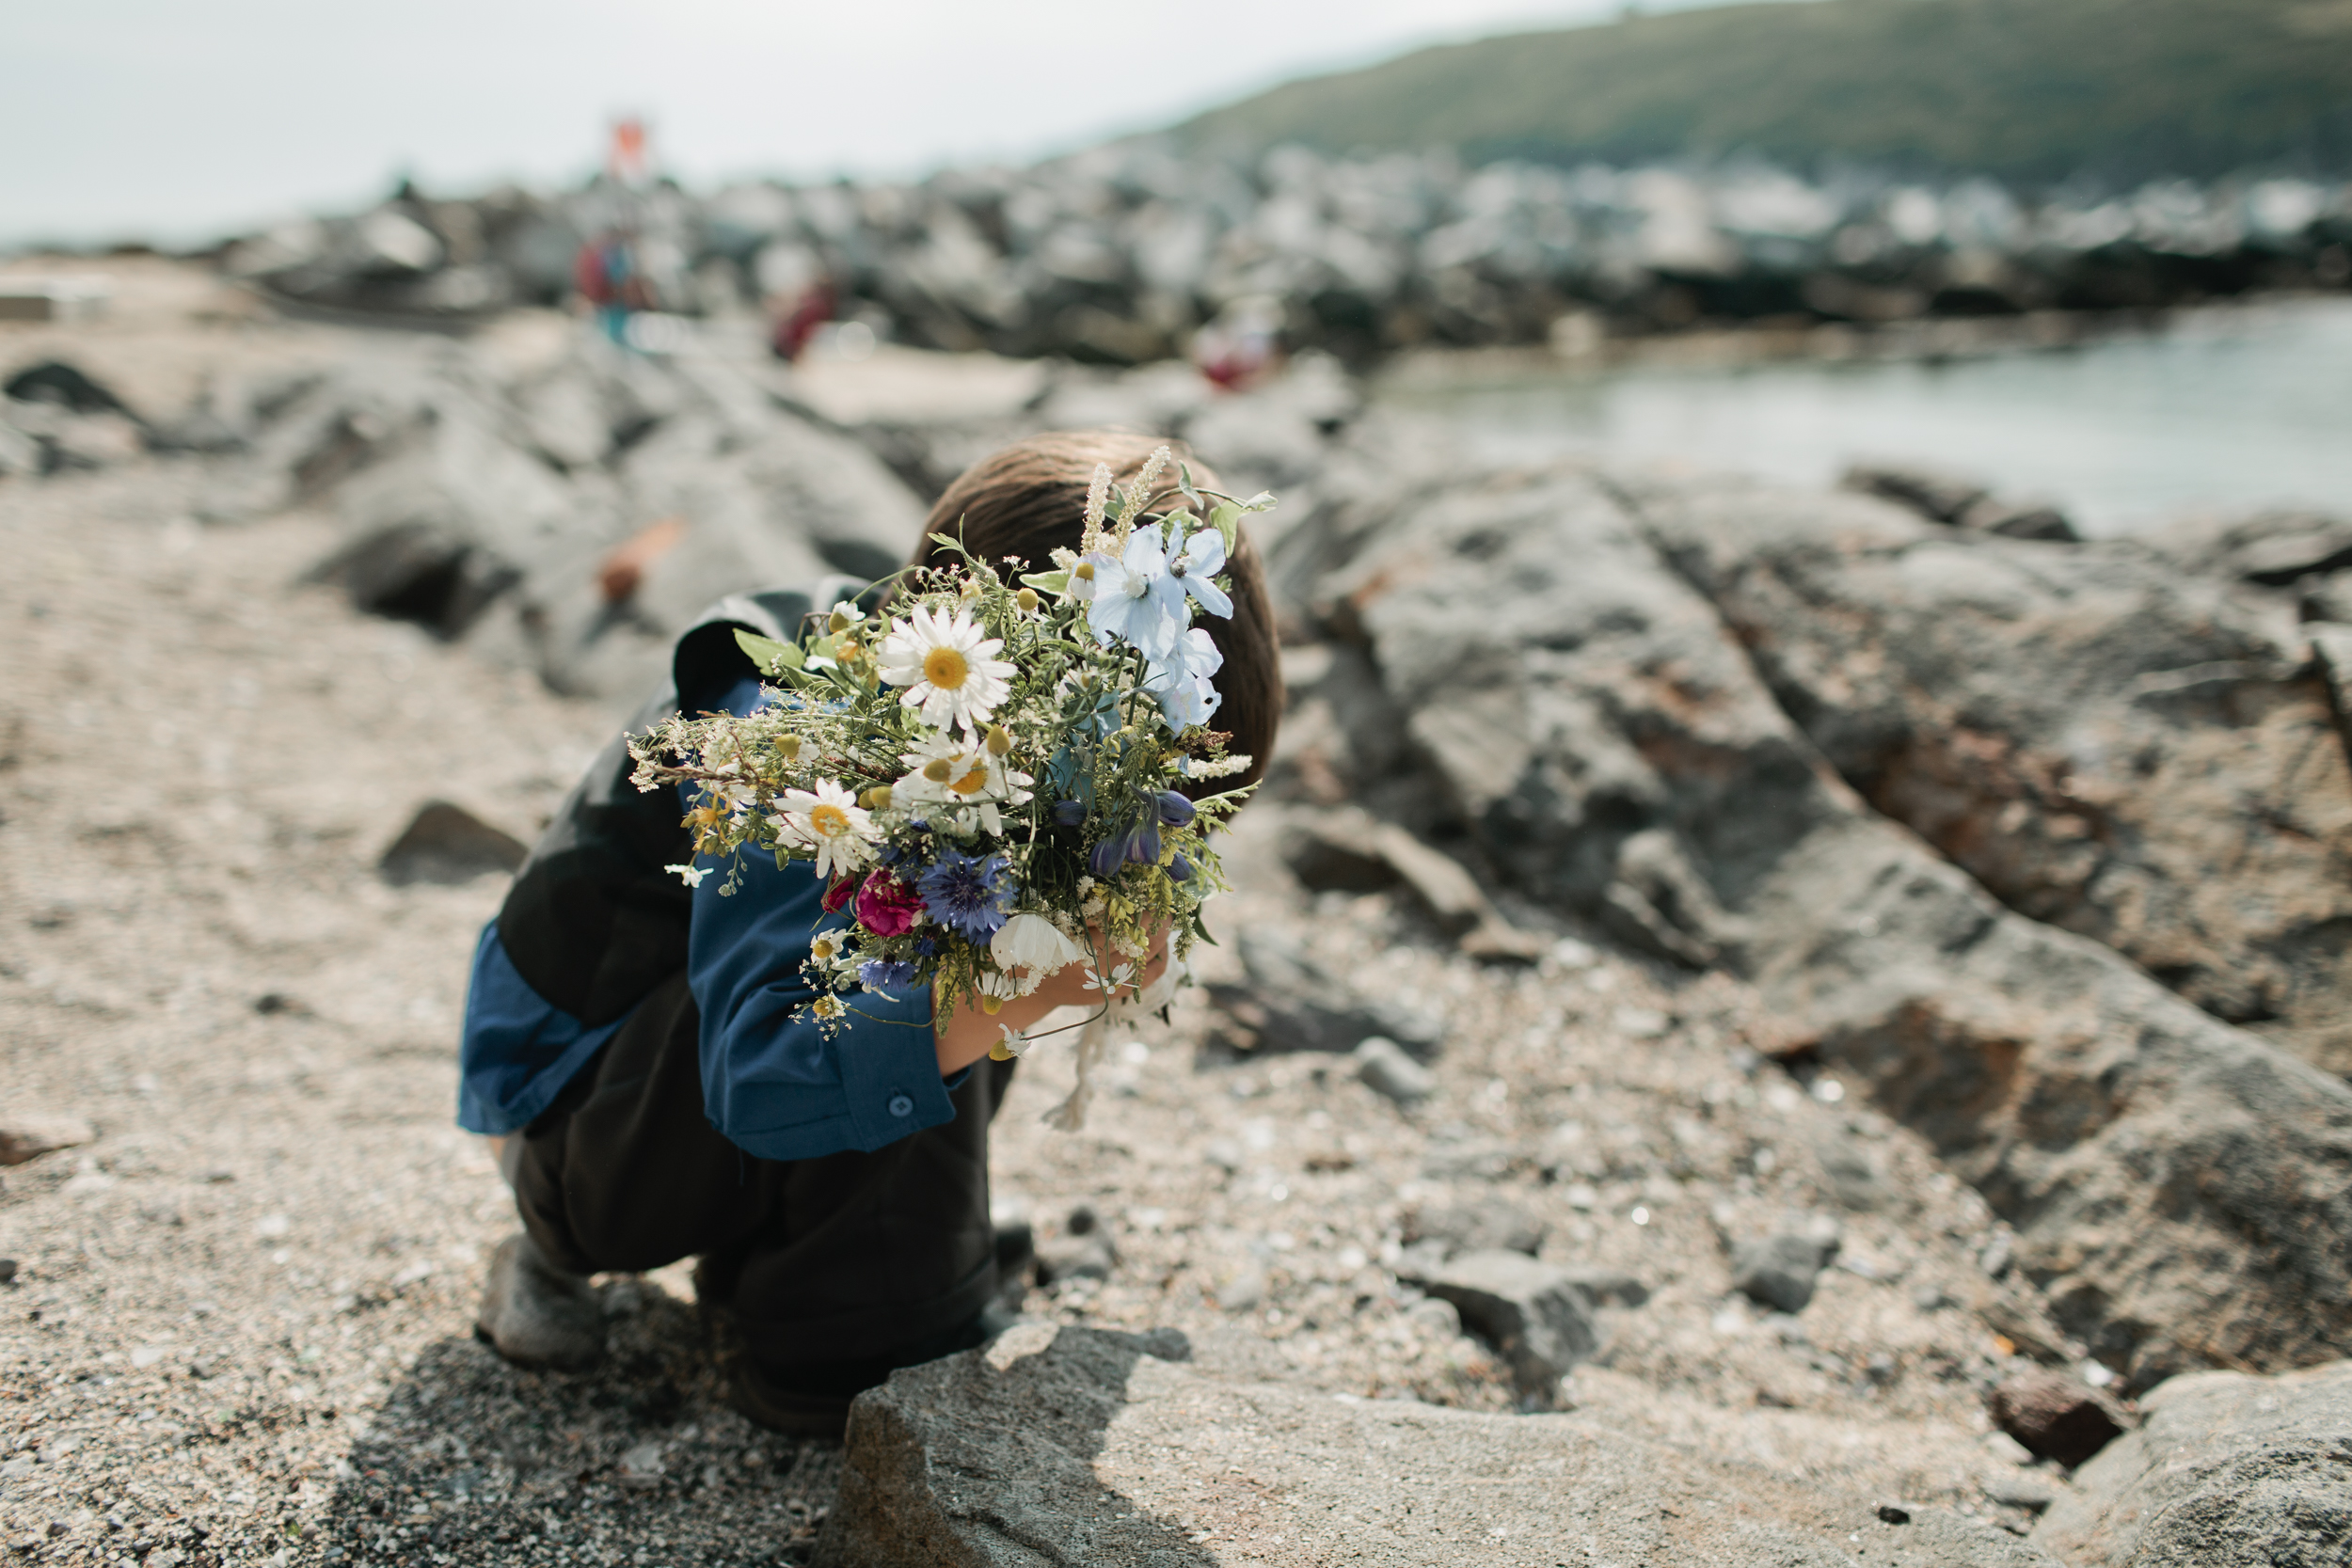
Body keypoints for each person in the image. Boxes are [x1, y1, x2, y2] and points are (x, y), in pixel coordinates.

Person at [456, 432, 1281, 1434]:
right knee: (931, 959)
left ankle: (814, 1271)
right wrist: (1021, 993)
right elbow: (761, 1068)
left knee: (1000, 906)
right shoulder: (791, 731)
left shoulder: (965, 728)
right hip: (580, 1130)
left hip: (687, 1083)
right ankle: (836, 1320)